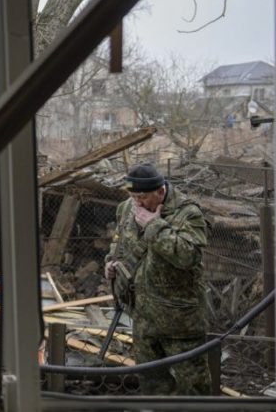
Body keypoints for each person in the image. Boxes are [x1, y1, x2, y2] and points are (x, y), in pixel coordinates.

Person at [104, 163, 211, 395]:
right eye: (133, 196)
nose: (137, 203)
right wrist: (111, 263)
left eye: (142, 197)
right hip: (142, 316)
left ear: (160, 192)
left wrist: (153, 225)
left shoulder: (188, 213)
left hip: (179, 319)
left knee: (193, 386)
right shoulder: (126, 208)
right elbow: (119, 242)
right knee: (152, 384)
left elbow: (188, 256)